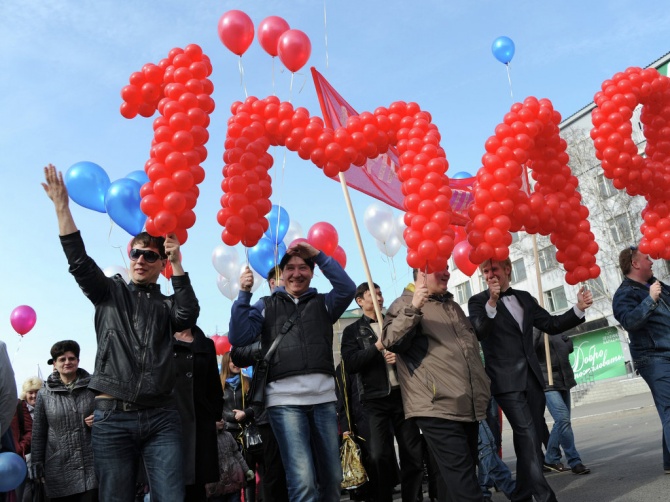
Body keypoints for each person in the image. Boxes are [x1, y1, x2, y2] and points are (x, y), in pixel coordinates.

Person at [41, 164, 200, 501]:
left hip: (161, 416)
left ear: (161, 264)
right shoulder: (110, 292)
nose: (140, 259)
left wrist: (179, 264)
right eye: (135, 253)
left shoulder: (167, 305)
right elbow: (80, 263)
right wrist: (61, 208)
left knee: (172, 496)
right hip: (112, 416)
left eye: (150, 255)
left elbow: (188, 313)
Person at [229, 242, 356, 502]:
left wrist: (319, 256)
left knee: (333, 480)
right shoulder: (266, 305)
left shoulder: (324, 304)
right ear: (281, 274)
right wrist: (243, 294)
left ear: (312, 272)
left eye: (303, 268)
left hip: (323, 401)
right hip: (284, 404)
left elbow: (347, 288)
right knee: (303, 482)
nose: (296, 273)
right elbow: (239, 336)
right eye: (290, 268)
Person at [468, 258, 593, 502]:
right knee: (526, 433)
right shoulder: (478, 301)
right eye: (485, 271)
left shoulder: (525, 297)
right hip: (505, 382)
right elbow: (480, 331)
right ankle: (545, 497)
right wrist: (492, 302)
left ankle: (522, 494)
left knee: (531, 438)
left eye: (494, 269)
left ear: (507, 270)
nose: (489, 274)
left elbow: (551, 324)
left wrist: (578, 308)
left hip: (533, 379)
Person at [382, 266, 491, 502]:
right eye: (438, 269)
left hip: (467, 404)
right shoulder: (404, 304)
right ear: (421, 273)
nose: (446, 273)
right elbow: (391, 341)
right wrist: (415, 308)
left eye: (447, 268)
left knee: (453, 481)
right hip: (436, 405)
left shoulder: (451, 305)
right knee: (465, 484)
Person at [341, 282, 423, 502]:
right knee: (378, 456)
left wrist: (399, 359)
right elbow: (350, 364)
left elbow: (415, 353)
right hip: (373, 400)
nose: (378, 297)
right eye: (372, 294)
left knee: (412, 454)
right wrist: (376, 348)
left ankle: (413, 498)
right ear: (360, 301)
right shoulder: (352, 331)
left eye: (380, 292)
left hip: (403, 397)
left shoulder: (395, 323)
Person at [612, 245, 670, 474]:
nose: (652, 261)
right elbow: (629, 322)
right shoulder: (625, 293)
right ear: (635, 263)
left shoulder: (657, 285)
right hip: (653, 357)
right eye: (646, 258)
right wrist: (650, 300)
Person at [31, 340, 97, 501]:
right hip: (58, 468)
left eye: (71, 358)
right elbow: (39, 432)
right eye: (62, 359)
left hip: (92, 467)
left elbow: (111, 413)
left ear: (78, 361)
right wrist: (37, 463)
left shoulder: (94, 386)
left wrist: (100, 419)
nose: (67, 362)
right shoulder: (44, 394)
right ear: (54, 364)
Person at [173, 326, 224, 501]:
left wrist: (213, 416)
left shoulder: (206, 344)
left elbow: (214, 387)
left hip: (200, 425)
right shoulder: (161, 341)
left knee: (197, 488)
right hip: (168, 424)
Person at [534, 331, 591, 475]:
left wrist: (564, 342)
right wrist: (537, 329)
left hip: (563, 379)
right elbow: (529, 347)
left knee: (564, 423)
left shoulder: (553, 327)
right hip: (547, 382)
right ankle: (560, 458)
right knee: (562, 419)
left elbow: (569, 346)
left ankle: (571, 461)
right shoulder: (531, 328)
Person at [218, 351, 256, 502]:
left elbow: (257, 406)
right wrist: (231, 417)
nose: (236, 364)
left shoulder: (248, 381)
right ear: (226, 363)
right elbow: (216, 407)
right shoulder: (218, 384)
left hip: (246, 435)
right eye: (233, 361)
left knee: (249, 474)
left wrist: (245, 413)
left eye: (238, 361)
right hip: (226, 435)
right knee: (228, 477)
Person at [16, 377, 44, 502]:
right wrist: (20, 448)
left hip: (45, 463)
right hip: (24, 462)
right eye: (30, 392)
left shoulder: (48, 409)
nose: (34, 395)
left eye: (37, 392)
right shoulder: (19, 410)